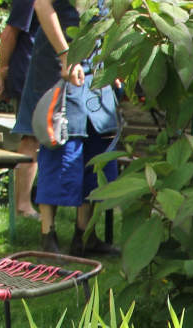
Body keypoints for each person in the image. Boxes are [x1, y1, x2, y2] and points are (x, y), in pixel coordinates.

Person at [14, 0, 120, 255]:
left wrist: (117, 61)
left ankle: (84, 237)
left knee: (98, 143)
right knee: (62, 144)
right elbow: (41, 5)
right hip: (59, 58)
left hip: (97, 64)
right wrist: (65, 55)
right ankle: (48, 237)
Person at [0, 0, 40, 219]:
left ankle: (28, 202)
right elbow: (9, 34)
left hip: (42, 72)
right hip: (30, 75)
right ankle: (22, 204)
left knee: (35, 138)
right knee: (30, 138)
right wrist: (2, 71)